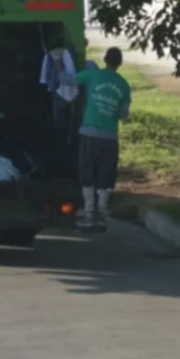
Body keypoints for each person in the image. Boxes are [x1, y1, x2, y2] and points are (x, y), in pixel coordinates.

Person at [66, 47, 131, 231]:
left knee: (87, 172)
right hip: (110, 136)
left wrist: (58, 63)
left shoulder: (92, 75)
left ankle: (88, 213)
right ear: (120, 63)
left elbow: (69, 80)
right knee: (105, 173)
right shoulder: (124, 85)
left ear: (104, 59)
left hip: (89, 133)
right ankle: (102, 214)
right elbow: (123, 114)